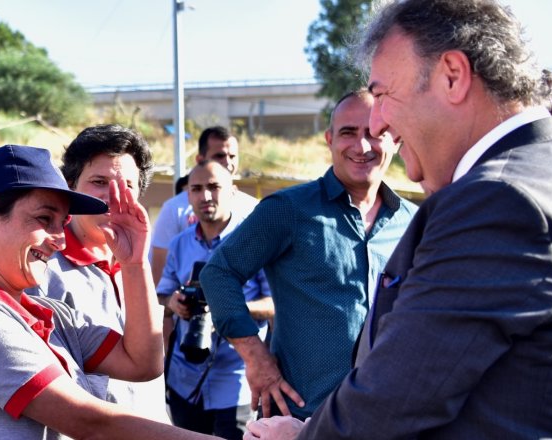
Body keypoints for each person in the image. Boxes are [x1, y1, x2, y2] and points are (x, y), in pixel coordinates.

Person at [246, 1, 552, 438]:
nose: (378, 122)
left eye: (384, 94)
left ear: (452, 75)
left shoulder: (498, 201)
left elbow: (392, 405)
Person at [0, 144, 216, 440]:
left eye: (62, 223)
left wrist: (134, 263)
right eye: (44, 219)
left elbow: (143, 363)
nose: (60, 240)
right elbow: (88, 423)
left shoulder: (51, 313)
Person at [200, 90, 417, 421]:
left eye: (375, 133)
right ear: (330, 140)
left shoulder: (414, 223)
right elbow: (218, 273)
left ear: (395, 140)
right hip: (300, 418)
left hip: (386, 421)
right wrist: (255, 356)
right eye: (348, 133)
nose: (362, 146)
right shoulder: (288, 209)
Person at [32, 124, 166, 422]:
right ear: (70, 188)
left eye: (127, 186)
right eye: (99, 181)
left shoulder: (136, 266)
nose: (112, 196)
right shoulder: (43, 269)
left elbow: (151, 367)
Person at [158, 161, 274, 439]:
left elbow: (276, 305)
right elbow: (161, 294)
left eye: (214, 187)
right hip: (184, 379)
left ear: (232, 191)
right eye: (196, 189)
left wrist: (228, 310)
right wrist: (174, 303)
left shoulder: (254, 241)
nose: (205, 196)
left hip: (237, 381)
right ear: (188, 196)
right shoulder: (179, 243)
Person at [151, 126, 258, 285]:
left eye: (233, 156)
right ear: (200, 160)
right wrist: (177, 302)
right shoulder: (174, 210)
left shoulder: (254, 207)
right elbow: (159, 282)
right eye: (219, 155)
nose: (227, 162)